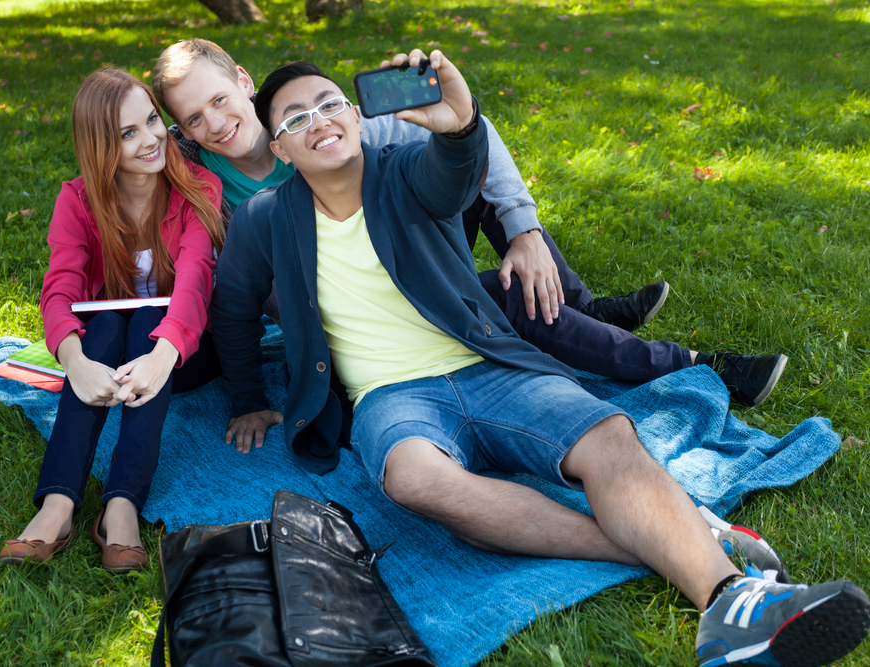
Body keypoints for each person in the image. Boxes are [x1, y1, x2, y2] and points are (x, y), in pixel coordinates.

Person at [209, 52, 869, 667]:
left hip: (489, 366)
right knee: (412, 479)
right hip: (392, 397)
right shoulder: (265, 218)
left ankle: (728, 601)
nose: (317, 122)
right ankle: (684, 539)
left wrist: (461, 124)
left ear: (356, 114)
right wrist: (246, 397)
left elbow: (456, 171)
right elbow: (233, 308)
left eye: (328, 104)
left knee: (610, 436)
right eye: (295, 119)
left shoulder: (406, 167)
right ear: (283, 149)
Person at [151, 38, 789, 417]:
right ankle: (631, 338)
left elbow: (470, 143)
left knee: (456, 176)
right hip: (364, 323)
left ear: (243, 80)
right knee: (499, 297)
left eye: (220, 100)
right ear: (180, 128)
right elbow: (234, 291)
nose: (215, 123)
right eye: (193, 117)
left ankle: (602, 318)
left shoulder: (345, 128)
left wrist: (524, 231)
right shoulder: (201, 189)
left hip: (418, 276)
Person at [0, 68, 225, 571]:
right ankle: (58, 505)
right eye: (128, 133)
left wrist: (162, 355)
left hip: (185, 352)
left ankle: (121, 502)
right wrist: (75, 362)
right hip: (110, 347)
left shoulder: (198, 187)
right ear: (102, 146)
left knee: (149, 310)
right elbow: (60, 289)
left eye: (152, 121)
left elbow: (194, 280)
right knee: (98, 326)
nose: (151, 140)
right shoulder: (78, 199)